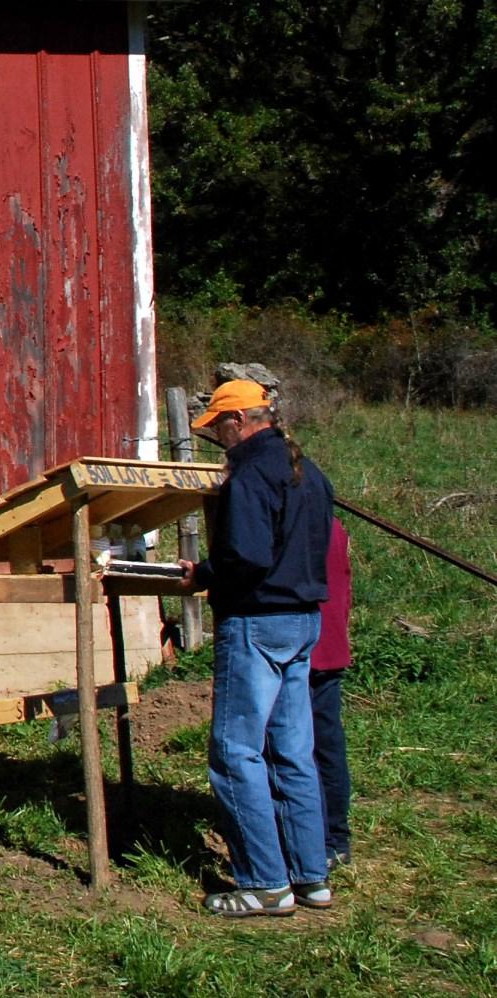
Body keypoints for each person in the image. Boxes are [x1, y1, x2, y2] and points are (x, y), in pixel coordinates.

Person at [182, 379, 334, 917]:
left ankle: (265, 883)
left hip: (257, 622)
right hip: (302, 620)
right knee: (292, 751)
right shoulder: (308, 472)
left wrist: (203, 574)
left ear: (238, 421)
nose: (218, 438)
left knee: (235, 752)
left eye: (218, 427)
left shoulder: (249, 474)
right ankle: (311, 875)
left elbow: (246, 555)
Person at [312, 517, 354, 870]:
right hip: (330, 642)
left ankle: (322, 838)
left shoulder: (291, 519)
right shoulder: (333, 524)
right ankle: (335, 838)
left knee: (303, 750)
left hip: (304, 646)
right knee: (327, 745)